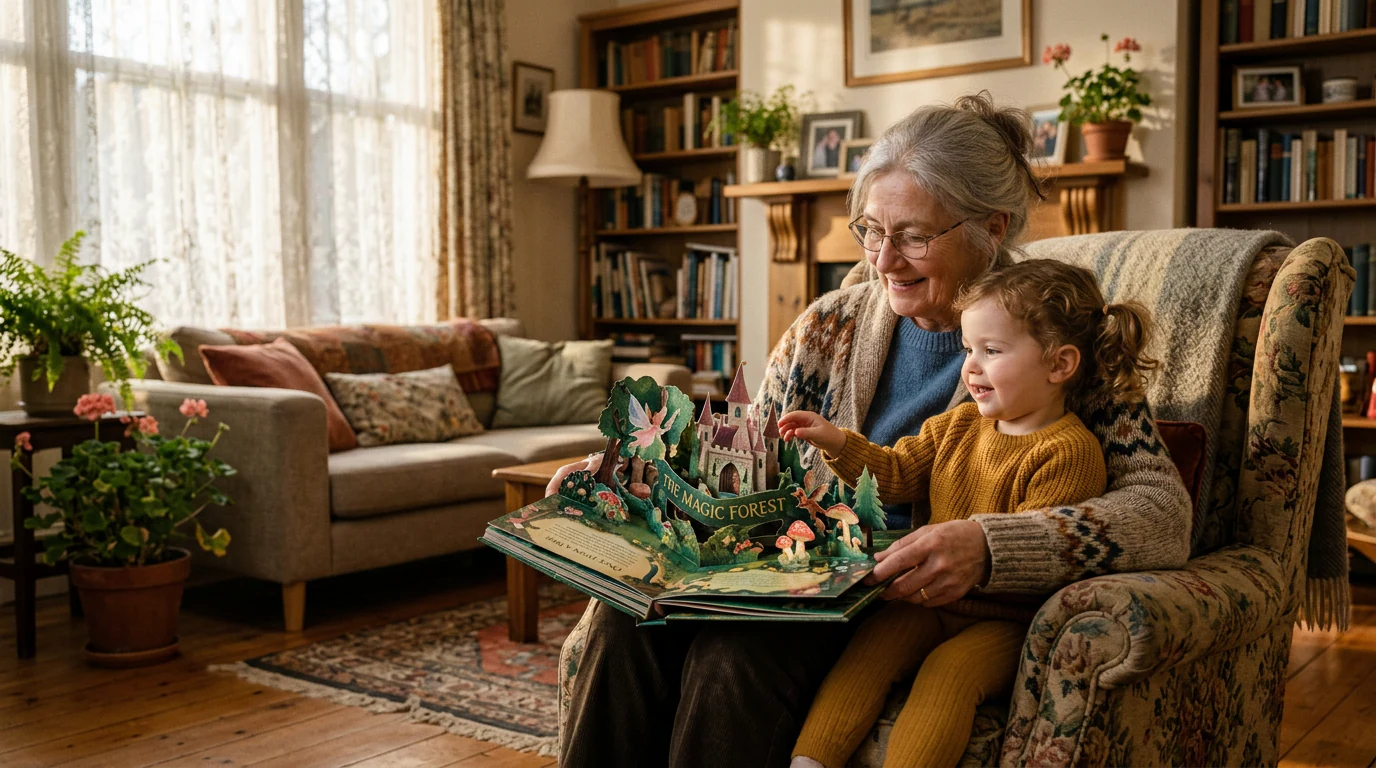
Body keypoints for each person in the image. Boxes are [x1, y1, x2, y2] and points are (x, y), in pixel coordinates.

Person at [558, 92, 1191, 768]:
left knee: (737, 652)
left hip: (892, 605)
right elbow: (744, 449)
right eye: (870, 229)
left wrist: (991, 544)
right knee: (628, 621)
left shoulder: (1056, 340)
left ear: (992, 229)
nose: (881, 260)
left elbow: (1161, 514)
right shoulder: (830, 322)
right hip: (786, 568)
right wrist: (636, 479)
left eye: (914, 236)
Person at [781, 259, 1156, 768]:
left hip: (1005, 622)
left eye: (992, 351)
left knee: (949, 672)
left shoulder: (1069, 452)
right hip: (931, 604)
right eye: (968, 350)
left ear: (1060, 365)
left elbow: (1036, 565)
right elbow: (894, 473)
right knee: (870, 647)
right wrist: (838, 442)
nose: (971, 368)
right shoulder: (958, 425)